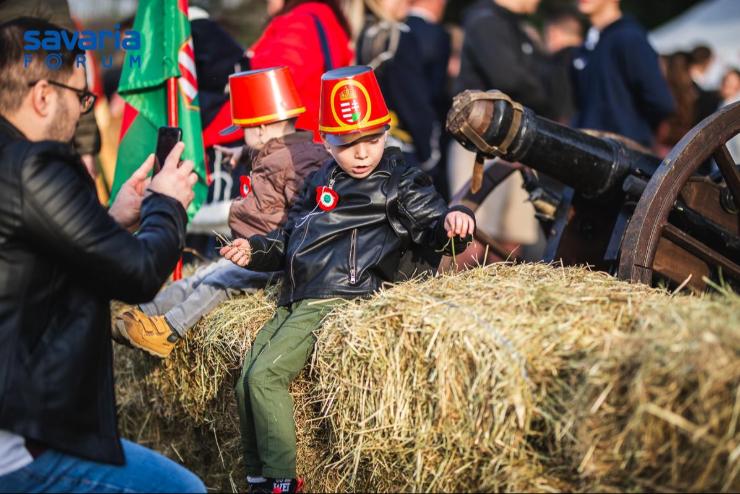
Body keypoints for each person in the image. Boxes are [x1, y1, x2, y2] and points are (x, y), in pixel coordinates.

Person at [220, 66, 476, 493]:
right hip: (297, 294)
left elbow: (433, 228)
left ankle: (283, 480)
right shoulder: (321, 180)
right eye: (347, 143)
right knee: (248, 372)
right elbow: (288, 238)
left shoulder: (399, 180)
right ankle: (257, 476)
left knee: (266, 376)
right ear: (325, 141)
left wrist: (455, 220)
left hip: (339, 294)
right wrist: (254, 250)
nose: (362, 154)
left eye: (372, 140)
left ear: (385, 132)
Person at [0, 17, 205, 492]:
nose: (83, 114)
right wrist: (167, 204)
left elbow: (30, 254)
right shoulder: (33, 164)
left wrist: (109, 220)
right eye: (81, 98)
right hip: (20, 440)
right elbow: (136, 275)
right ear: (43, 96)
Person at [114, 67, 330, 358]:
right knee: (202, 274)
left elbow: (307, 216)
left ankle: (168, 330)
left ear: (262, 129)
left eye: (245, 130)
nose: (242, 136)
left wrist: (280, 253)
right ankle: (140, 314)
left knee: (219, 282)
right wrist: (243, 152)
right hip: (259, 253)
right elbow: (273, 152)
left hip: (279, 262)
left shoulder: (294, 167)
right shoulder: (284, 151)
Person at [448, 0, 547, 266]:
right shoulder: (485, 22)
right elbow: (509, 79)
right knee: (469, 237)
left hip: (514, 146)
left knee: (510, 240)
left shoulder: (518, 29)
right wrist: (544, 88)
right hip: (479, 146)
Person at [571, 0, 675, 148]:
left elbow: (661, 101)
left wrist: (633, 128)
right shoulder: (583, 49)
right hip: (587, 151)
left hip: (626, 156)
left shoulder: (630, 38)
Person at [249, 0, 354, 141]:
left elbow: (270, 88)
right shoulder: (321, 17)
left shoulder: (300, 22)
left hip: (294, 148)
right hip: (315, 143)